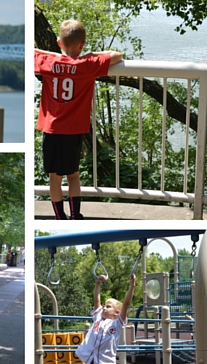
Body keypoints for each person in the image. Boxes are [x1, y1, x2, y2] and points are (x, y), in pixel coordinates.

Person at [35, 20, 123, 220]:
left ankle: (59, 217)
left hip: (51, 129)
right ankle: (75, 215)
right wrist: (90, 55)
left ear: (59, 43)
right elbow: (117, 55)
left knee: (54, 178)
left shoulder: (48, 63)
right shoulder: (88, 65)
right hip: (73, 131)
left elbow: (29, 51)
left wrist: (53, 53)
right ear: (82, 45)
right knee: (73, 175)